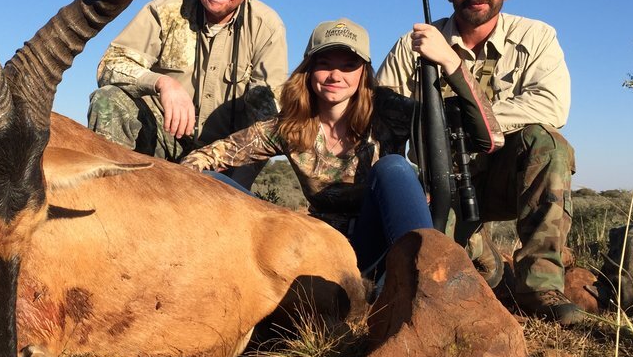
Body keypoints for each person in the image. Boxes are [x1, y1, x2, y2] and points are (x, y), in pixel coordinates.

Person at [181, 19, 503, 282]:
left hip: (379, 243)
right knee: (216, 183)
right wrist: (176, 179)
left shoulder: (389, 109)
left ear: (364, 72)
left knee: (393, 167)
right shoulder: (290, 124)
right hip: (320, 250)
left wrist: (449, 61)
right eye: (324, 64)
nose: (335, 75)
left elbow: (487, 136)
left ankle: (422, 283)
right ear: (308, 70)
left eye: (349, 65)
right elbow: (214, 155)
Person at [376, 0, 583, 325]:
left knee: (548, 143)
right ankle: (490, 266)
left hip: (507, 176)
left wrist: (471, 112)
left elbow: (553, 107)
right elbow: (383, 119)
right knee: (454, 275)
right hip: (441, 182)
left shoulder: (537, 36)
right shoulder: (413, 44)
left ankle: (540, 286)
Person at [88, 0, 287, 188]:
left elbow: (267, 122)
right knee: (108, 100)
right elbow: (110, 65)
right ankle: (110, 197)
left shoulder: (267, 27)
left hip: (221, 157)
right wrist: (163, 84)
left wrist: (237, 189)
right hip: (162, 135)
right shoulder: (167, 6)